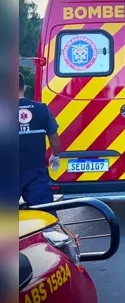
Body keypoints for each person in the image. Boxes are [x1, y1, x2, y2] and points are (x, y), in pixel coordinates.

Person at [18, 72, 61, 210]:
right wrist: (56, 155)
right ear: (24, 88)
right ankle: (49, 231)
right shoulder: (41, 109)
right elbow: (53, 136)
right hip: (35, 171)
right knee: (45, 213)